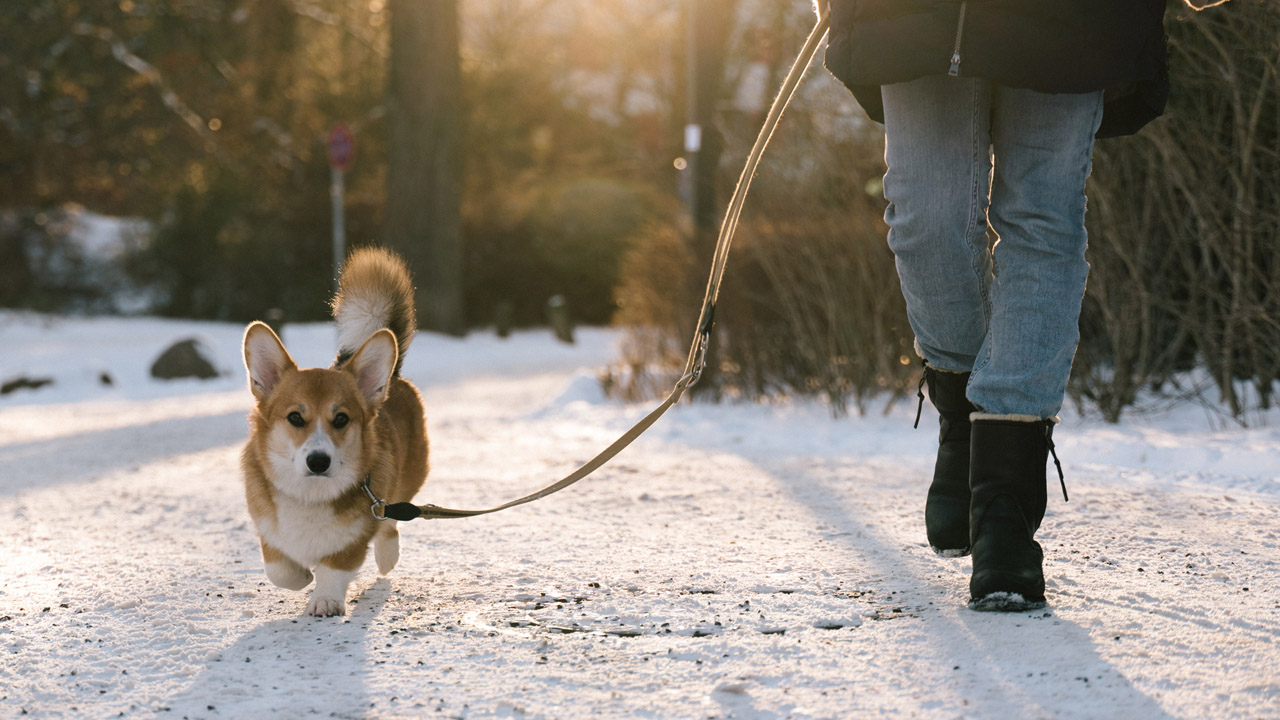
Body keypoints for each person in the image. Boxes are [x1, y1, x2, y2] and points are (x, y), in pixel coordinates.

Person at [821, 0, 1169, 611]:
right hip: (912, 15)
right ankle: (961, 415)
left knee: (1043, 221)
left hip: (1076, 21)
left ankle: (1004, 509)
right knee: (926, 220)